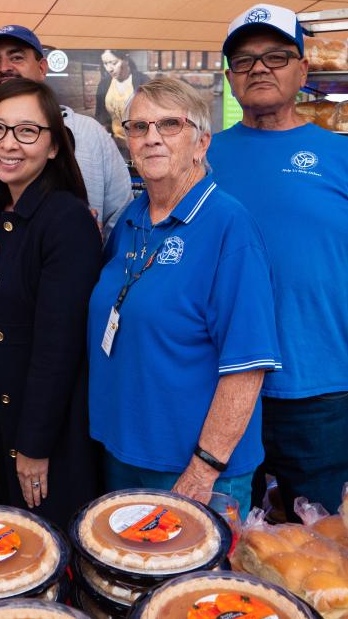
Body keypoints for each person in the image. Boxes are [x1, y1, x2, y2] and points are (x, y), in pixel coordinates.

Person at [208, 3, 348, 519]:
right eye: (244, 61)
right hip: (219, 389)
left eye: (277, 56)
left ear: (303, 71)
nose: (259, 68)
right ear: (230, 78)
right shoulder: (201, 159)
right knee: (225, 543)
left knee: (328, 546)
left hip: (320, 395)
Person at [87, 77, 282, 517]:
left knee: (192, 586)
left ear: (201, 143)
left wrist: (205, 466)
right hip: (122, 451)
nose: (151, 137)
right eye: (138, 127)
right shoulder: (132, 218)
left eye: (169, 124)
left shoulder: (229, 227)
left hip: (192, 469)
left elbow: (248, 365)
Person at [0, 79, 101, 530]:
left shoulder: (65, 220)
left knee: (41, 551)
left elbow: (58, 347)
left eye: (27, 131)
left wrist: (34, 446)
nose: (9, 143)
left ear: (52, 147)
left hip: (39, 431)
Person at [0, 25, 132, 237]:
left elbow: (121, 217)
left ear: (42, 68)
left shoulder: (88, 131)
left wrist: (93, 253)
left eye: (16, 58)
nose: (4, 67)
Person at [95, 49, 143, 144]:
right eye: (105, 64)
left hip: (140, 141)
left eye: (114, 63)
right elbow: (100, 115)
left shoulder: (142, 81)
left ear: (125, 59)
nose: (109, 69)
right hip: (116, 142)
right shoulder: (104, 84)